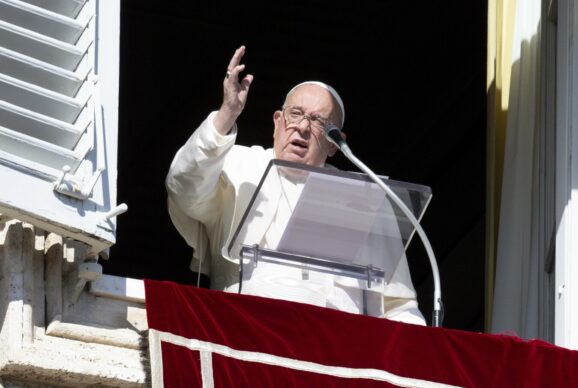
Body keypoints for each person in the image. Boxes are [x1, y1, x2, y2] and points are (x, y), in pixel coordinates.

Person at [166, 46, 426, 325]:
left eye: (318, 122)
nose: (302, 127)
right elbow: (184, 186)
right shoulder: (238, 166)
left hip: (338, 346)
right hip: (247, 329)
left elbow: (399, 305)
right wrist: (226, 114)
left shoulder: (364, 199)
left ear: (334, 144)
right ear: (278, 122)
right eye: (295, 114)